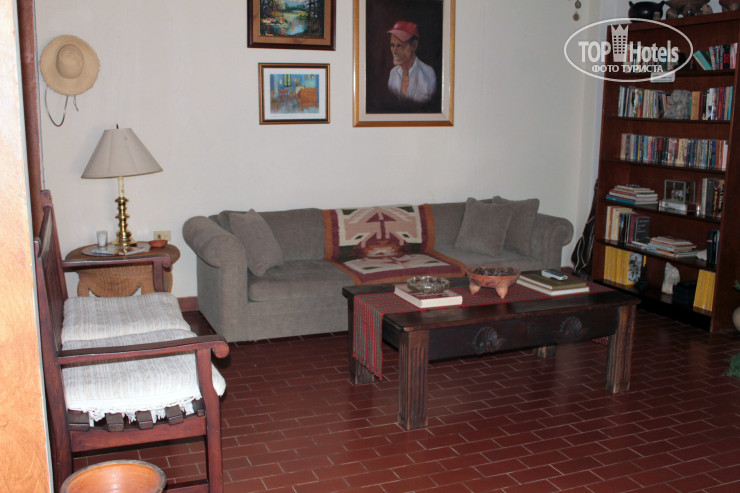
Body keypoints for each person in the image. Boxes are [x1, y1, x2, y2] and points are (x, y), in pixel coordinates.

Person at [386, 21, 436, 104]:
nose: (394, 51)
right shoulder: (393, 74)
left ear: (414, 45)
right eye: (392, 45)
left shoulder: (428, 74)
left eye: (399, 46)